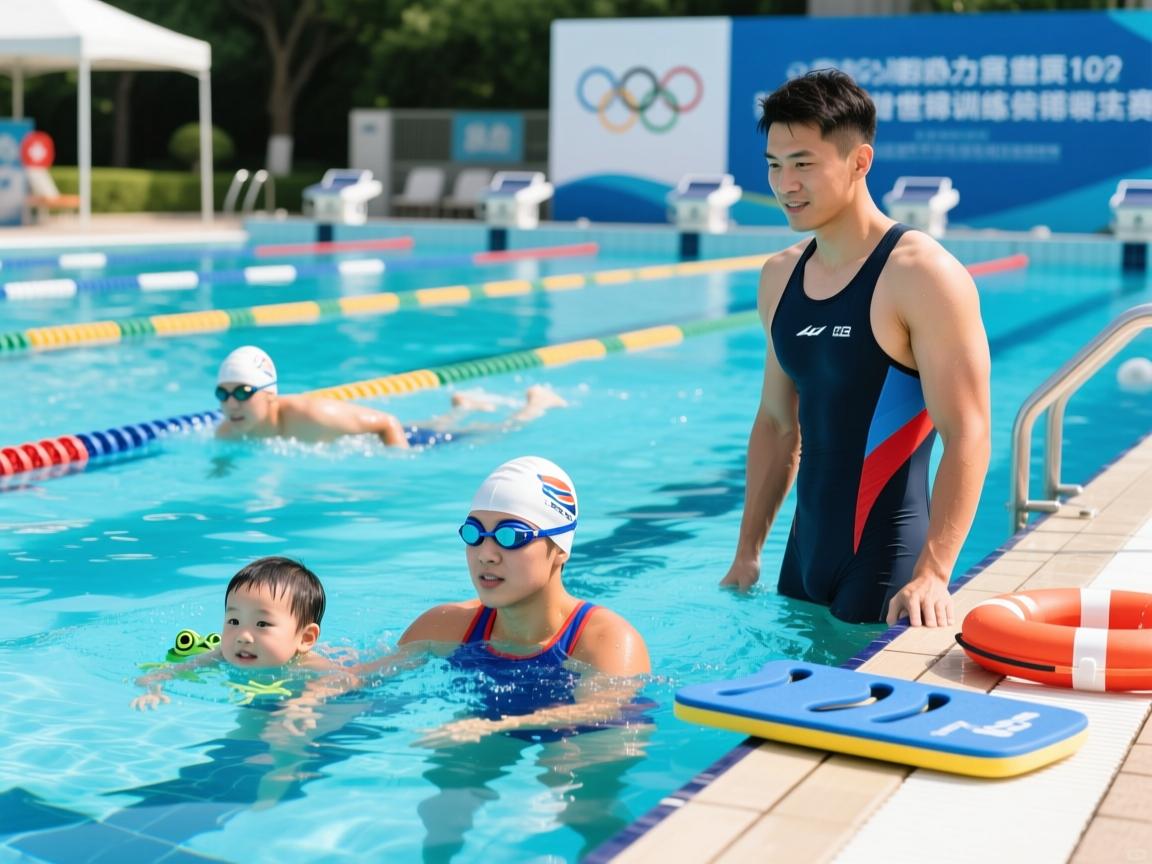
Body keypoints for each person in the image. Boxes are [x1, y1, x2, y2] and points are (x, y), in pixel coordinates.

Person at [720, 69, 991, 628]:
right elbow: (776, 424)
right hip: (802, 560)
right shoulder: (780, 276)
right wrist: (748, 553)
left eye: (803, 164)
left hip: (890, 563)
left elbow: (969, 431)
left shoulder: (921, 275)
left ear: (859, 162)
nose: (784, 183)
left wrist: (934, 574)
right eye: (774, 165)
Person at [351, 455, 651, 746]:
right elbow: (358, 682)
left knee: (574, 758)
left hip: (576, 735)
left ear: (560, 548)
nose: (486, 554)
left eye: (511, 537)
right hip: (479, 725)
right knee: (453, 761)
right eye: (475, 534)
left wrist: (495, 726)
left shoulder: (605, 640)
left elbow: (605, 710)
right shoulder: (445, 626)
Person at [213, 345, 566, 448]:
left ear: (271, 396)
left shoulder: (312, 415)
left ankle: (536, 403)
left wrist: (399, 465)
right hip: (364, 438)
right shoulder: (229, 431)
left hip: (388, 437)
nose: (231, 404)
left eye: (243, 393)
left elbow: (387, 422)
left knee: (486, 434)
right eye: (223, 394)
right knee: (425, 426)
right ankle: (463, 406)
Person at [131, 555, 339, 710]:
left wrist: (307, 700)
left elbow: (347, 682)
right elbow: (159, 675)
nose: (242, 636)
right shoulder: (222, 654)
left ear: (305, 638)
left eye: (262, 624)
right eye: (234, 621)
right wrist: (153, 689)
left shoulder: (307, 665)